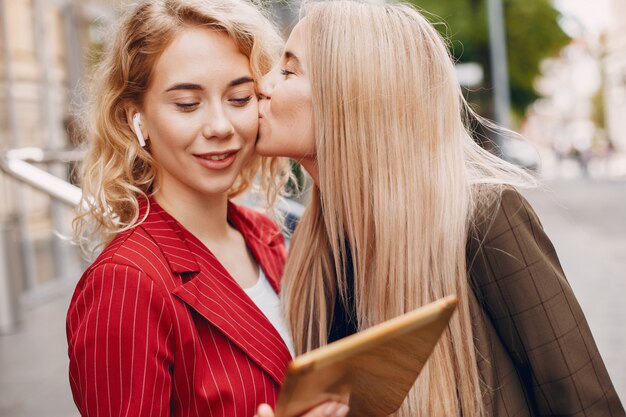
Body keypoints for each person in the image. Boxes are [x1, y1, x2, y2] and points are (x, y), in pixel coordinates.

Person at [255, 1, 626, 416]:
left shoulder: (485, 219)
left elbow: (588, 405)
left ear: (349, 96)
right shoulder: (317, 245)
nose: (263, 85)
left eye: (287, 71)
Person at [66, 0, 295, 416]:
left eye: (240, 98)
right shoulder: (127, 283)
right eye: (188, 104)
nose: (221, 126)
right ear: (136, 118)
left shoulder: (264, 235)